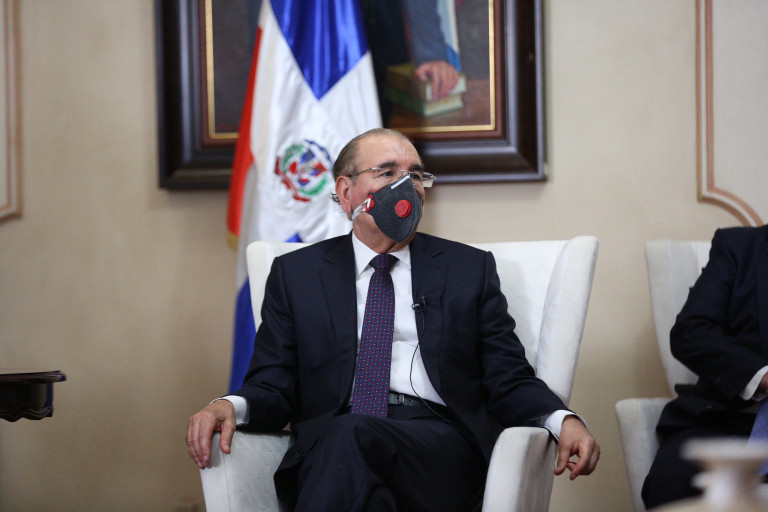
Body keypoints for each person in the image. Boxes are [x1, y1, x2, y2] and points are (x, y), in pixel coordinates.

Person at [187, 128, 600, 511]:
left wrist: (562, 420)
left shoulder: (466, 269)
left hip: (437, 448)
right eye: (387, 173)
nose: (407, 186)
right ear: (345, 192)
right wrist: (229, 405)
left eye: (416, 175)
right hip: (332, 445)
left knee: (353, 438)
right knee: (358, 465)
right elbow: (273, 382)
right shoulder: (297, 275)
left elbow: (507, 377)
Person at [642, 225, 768, 509]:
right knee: (672, 478)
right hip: (730, 419)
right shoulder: (738, 246)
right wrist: (763, 377)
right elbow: (692, 332)